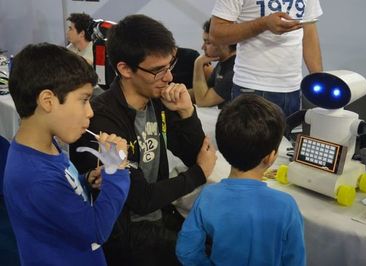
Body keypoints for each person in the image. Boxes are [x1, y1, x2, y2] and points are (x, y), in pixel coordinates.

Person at [69, 14, 217, 266]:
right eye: (158, 70)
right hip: (127, 233)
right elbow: (140, 198)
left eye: (170, 65)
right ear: (125, 69)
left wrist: (186, 113)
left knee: (221, 240)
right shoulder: (101, 120)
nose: (169, 77)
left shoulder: (156, 99)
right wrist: (198, 174)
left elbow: (197, 154)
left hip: (159, 213)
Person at [3, 43, 130, 265]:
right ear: (48, 101)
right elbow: (96, 230)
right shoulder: (35, 178)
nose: (90, 112)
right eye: (84, 99)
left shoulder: (43, 146)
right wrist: (117, 170)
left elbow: (60, 189)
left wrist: (85, 182)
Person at [176, 94, 305, 265]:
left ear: (222, 147)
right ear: (271, 156)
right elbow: (295, 260)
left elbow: (186, 250)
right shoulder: (286, 206)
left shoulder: (208, 196)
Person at [210, 0, 323, 117]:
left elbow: (309, 31)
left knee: (287, 135)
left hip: (292, 89)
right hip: (252, 87)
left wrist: (319, 78)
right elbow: (216, 34)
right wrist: (263, 24)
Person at [192, 18, 236, 109]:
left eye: (207, 42)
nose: (202, 47)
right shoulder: (223, 63)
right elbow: (201, 92)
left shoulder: (235, 70)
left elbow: (202, 101)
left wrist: (198, 64)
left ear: (224, 43)